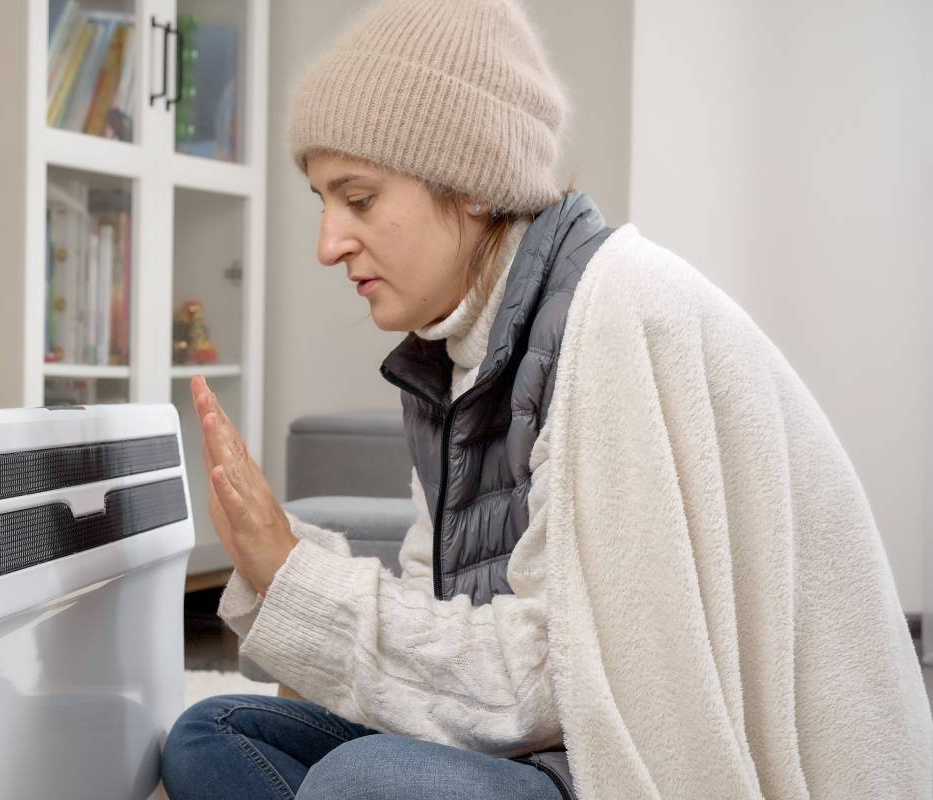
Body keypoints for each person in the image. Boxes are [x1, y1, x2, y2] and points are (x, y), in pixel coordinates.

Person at [161, 1, 933, 798]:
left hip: (610, 757)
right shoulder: (458, 350)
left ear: (470, 187)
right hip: (537, 749)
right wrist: (283, 561)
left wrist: (295, 578)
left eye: (357, 199)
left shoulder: (614, 315)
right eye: (322, 202)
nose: (329, 243)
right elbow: (449, 632)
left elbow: (555, 681)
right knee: (212, 735)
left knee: (364, 779)